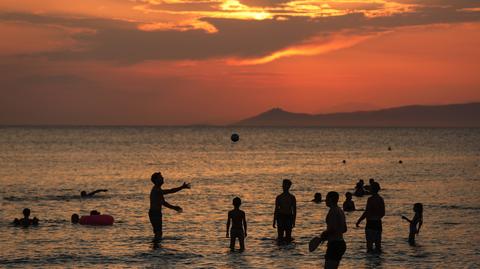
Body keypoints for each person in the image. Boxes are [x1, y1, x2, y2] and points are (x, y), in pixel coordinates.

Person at [149, 172, 190, 240]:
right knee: (158, 233)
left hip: (156, 213)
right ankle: (156, 248)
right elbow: (169, 193)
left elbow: (163, 201)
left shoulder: (158, 189)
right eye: (160, 177)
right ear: (156, 180)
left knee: (158, 233)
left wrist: (174, 207)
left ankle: (156, 248)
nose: (162, 178)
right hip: (154, 213)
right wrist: (181, 187)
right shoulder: (156, 190)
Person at [319, 192, 347, 269]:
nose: (325, 200)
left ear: (331, 199)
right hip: (341, 244)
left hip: (335, 245)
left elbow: (332, 229)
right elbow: (344, 229)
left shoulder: (333, 211)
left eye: (327, 198)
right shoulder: (340, 210)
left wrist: (323, 235)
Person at [356, 182, 385, 253]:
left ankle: (370, 262)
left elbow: (366, 212)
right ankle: (377, 262)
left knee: (369, 245)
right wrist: (377, 217)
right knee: (378, 245)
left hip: (370, 223)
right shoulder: (380, 199)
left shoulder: (370, 199)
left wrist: (359, 221)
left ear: (372, 189)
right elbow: (383, 213)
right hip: (378, 223)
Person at [273, 179, 296, 244]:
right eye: (283, 185)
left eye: (285, 185)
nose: (283, 187)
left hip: (289, 217)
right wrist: (274, 220)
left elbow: (294, 210)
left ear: (289, 186)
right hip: (280, 217)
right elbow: (276, 209)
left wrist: (294, 221)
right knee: (280, 237)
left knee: (288, 237)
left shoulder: (292, 197)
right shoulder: (279, 197)